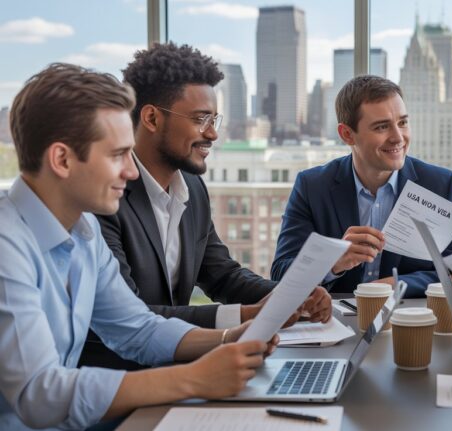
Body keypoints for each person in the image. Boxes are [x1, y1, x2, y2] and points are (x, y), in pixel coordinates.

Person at [0, 63, 275, 430]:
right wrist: (192, 378)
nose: (131, 172)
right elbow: (39, 394)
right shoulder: (7, 246)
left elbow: (136, 329)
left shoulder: (84, 232)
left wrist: (227, 339)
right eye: (117, 155)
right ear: (62, 159)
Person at [79, 42, 330, 370]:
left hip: (178, 367)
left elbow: (220, 274)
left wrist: (291, 296)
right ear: (152, 117)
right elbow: (131, 316)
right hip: (117, 379)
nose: (212, 133)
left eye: (215, 119)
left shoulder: (192, 188)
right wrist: (242, 318)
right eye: (201, 119)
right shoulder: (103, 196)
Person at [271, 75, 452, 297]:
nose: (398, 138)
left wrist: (396, 285)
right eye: (381, 127)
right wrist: (332, 263)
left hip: (412, 321)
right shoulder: (312, 187)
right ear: (347, 134)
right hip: (334, 323)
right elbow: (281, 273)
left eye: (403, 123)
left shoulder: (441, 186)